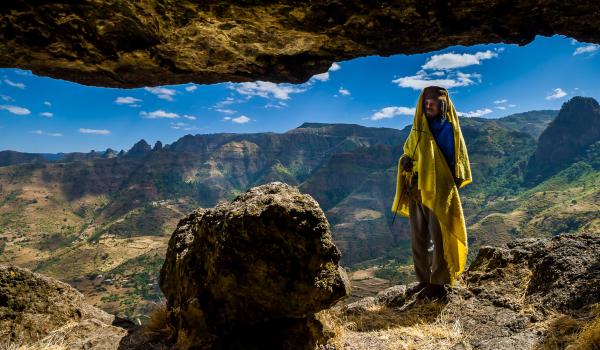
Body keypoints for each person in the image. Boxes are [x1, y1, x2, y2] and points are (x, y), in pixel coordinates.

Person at [391, 85, 472, 300]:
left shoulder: (448, 130)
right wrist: (406, 162)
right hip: (417, 190)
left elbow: (456, 162)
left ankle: (439, 283)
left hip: (439, 192)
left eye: (433, 103)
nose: (429, 106)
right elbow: (409, 152)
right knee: (418, 238)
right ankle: (424, 279)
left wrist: (445, 182)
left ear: (443, 104)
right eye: (426, 103)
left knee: (440, 237)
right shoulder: (418, 129)